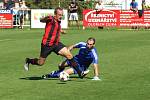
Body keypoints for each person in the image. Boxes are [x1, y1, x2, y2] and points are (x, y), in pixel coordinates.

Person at [24, 7, 84, 78]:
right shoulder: (51, 19)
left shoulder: (58, 21)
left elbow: (55, 28)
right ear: (55, 14)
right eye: (59, 15)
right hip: (47, 45)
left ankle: (80, 72)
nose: (61, 16)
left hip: (56, 44)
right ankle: (29, 60)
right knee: (40, 63)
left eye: (62, 15)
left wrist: (61, 31)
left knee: (69, 55)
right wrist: (46, 18)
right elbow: (41, 20)